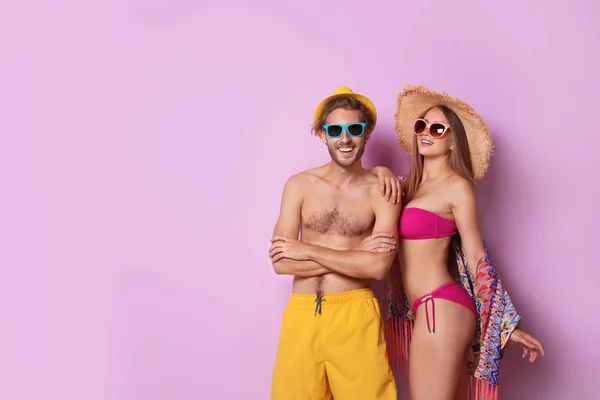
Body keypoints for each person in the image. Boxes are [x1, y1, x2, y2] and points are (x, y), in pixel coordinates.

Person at [366, 85, 545, 400]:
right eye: (421, 126)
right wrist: (381, 169)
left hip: (441, 309)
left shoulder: (457, 188)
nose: (426, 133)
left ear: (452, 142)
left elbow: (476, 255)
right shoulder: (409, 186)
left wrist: (505, 325)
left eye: (438, 129)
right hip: (430, 310)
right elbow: (372, 184)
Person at [267, 86, 400, 400]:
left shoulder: (383, 190)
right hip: (301, 316)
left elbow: (378, 266)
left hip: (355, 315)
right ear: (322, 135)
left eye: (354, 129)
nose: (345, 138)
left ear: (365, 134)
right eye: (335, 130)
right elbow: (281, 262)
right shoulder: (299, 185)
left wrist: (308, 249)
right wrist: (356, 254)